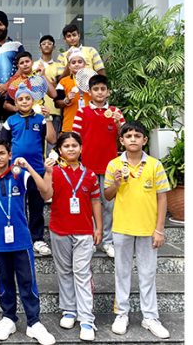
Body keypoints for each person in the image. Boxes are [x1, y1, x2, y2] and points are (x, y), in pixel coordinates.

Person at [0, 139, 56, 345]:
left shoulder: (21, 176)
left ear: (10, 154)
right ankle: (8, 318)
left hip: (22, 239)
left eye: (2, 153)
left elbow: (46, 192)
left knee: (27, 281)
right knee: (5, 282)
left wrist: (28, 166)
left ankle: (34, 322)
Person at [103, 121, 171, 340]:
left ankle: (150, 317)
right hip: (122, 227)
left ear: (145, 140)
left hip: (147, 228)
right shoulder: (114, 165)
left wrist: (159, 229)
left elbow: (162, 197)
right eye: (128, 135)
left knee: (147, 273)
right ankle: (121, 314)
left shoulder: (154, 165)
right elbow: (107, 195)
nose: (133, 138)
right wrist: (116, 183)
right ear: (121, 141)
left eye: (137, 135)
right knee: (121, 273)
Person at [41, 132, 102, 342]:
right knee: (64, 271)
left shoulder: (91, 175)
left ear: (81, 148)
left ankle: (86, 319)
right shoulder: (55, 172)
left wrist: (99, 228)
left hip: (84, 231)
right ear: (59, 150)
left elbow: (96, 202)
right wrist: (47, 172)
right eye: (66, 146)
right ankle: (69, 310)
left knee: (82, 273)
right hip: (59, 229)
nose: (71, 149)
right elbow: (46, 195)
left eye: (74, 145)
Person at [72, 75, 125, 258]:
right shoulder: (82, 112)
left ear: (108, 92)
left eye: (103, 89)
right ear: (90, 92)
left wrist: (119, 122)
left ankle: (108, 242)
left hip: (110, 166)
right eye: (96, 89)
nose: (100, 92)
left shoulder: (116, 111)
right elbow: (75, 139)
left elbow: (124, 138)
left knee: (109, 205)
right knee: (88, 204)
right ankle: (91, 239)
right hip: (88, 166)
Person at [0, 83, 56, 256]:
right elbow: (4, 144)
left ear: (33, 100)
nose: (24, 101)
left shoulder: (40, 119)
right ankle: (21, 236)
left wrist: (48, 119)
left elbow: (52, 139)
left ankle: (37, 238)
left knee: (36, 205)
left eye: (27, 98)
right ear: (15, 103)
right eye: (20, 99)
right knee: (17, 204)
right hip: (17, 171)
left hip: (37, 170)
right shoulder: (11, 121)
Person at [55, 49, 92, 134]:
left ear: (84, 65)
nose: (77, 64)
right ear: (69, 66)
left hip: (90, 124)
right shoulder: (63, 82)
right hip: (70, 125)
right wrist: (66, 100)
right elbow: (57, 103)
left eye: (80, 62)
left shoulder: (93, 80)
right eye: (73, 62)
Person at [36, 35, 64, 141]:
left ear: (54, 47)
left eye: (49, 43)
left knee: (52, 143)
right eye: (44, 44)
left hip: (54, 110)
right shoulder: (33, 65)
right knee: (37, 142)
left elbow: (61, 86)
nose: (46, 45)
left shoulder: (59, 66)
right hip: (36, 111)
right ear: (40, 47)